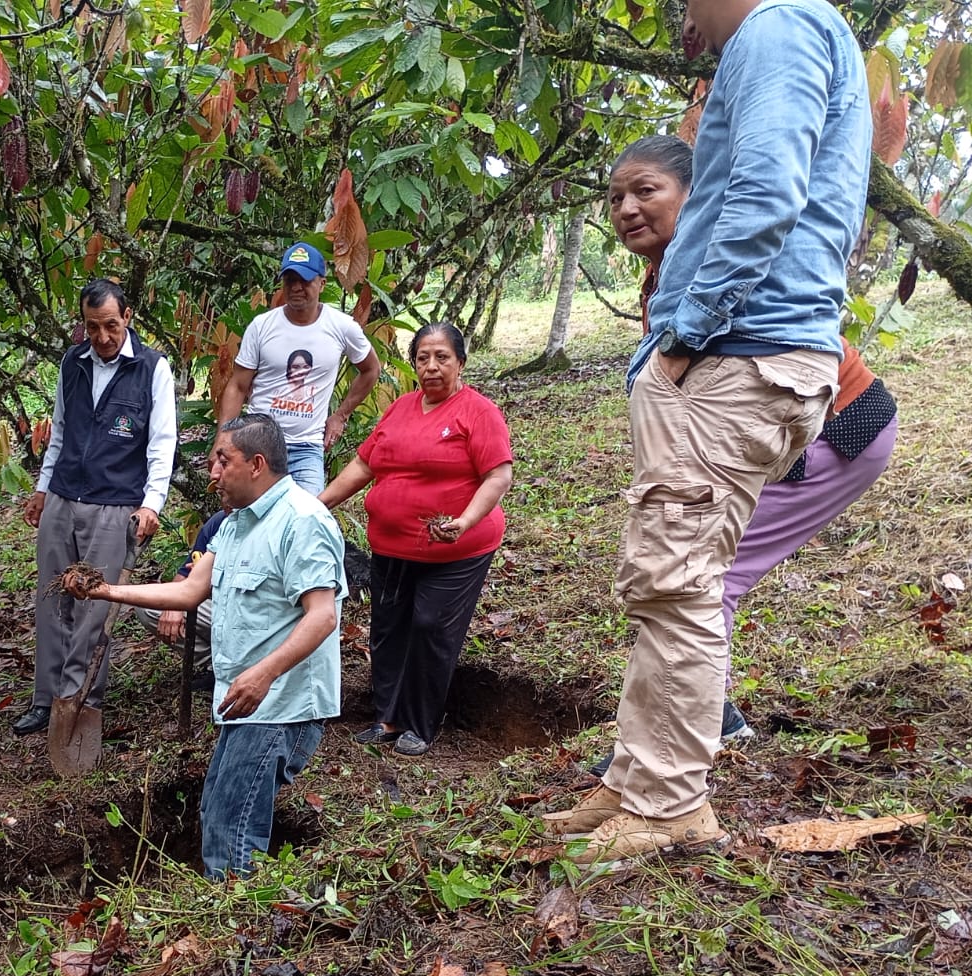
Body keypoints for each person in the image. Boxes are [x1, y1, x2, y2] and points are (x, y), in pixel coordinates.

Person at [548, 0, 871, 866]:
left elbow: (765, 193)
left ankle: (669, 804)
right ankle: (634, 779)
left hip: (739, 351)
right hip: (751, 352)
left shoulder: (778, 27)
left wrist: (688, 331)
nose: (681, 15)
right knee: (666, 584)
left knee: (681, 585)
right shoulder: (797, 35)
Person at [571, 134, 898, 782]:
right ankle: (703, 719)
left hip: (839, 428)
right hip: (820, 425)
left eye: (646, 190)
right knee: (697, 566)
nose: (627, 209)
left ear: (693, 195)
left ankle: (690, 732)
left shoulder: (716, 260)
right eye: (615, 198)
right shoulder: (667, 274)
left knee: (701, 572)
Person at [62, 415, 346, 878]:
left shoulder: (303, 521)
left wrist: (265, 673)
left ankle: (236, 909)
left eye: (222, 460)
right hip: (246, 701)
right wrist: (104, 591)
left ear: (256, 464)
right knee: (219, 808)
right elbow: (189, 591)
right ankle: (231, 902)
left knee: (231, 822)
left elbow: (322, 616)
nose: (213, 473)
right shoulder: (234, 525)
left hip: (281, 704)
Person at [319, 322, 513, 757]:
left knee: (430, 627)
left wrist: (464, 521)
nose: (432, 367)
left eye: (442, 357)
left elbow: (498, 476)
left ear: (460, 362)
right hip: (391, 546)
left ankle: (421, 722)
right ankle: (387, 717)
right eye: (423, 358)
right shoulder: (400, 409)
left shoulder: (478, 412)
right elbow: (364, 465)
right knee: (388, 627)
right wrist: (320, 504)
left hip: (455, 549)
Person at [13, 279, 178, 736]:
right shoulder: (73, 363)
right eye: (92, 327)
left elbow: (162, 443)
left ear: (127, 317)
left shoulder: (152, 368)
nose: (102, 337)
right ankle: (45, 699)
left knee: (93, 607)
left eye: (110, 325)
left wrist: (151, 504)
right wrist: (43, 489)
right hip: (64, 496)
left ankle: (78, 699)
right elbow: (60, 432)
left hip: (114, 504)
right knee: (51, 598)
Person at [215, 241, 382, 493]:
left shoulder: (341, 327)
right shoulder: (262, 326)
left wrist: (340, 415)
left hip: (306, 447)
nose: (296, 287)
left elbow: (371, 369)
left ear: (322, 283)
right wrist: (223, 441)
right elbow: (238, 386)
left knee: (309, 513)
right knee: (246, 510)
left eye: (304, 280)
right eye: (290, 280)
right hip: (258, 441)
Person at [132, 507, 227, 678]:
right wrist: (174, 604)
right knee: (148, 605)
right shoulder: (219, 522)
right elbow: (185, 573)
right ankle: (216, 665)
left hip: (254, 613)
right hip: (217, 606)